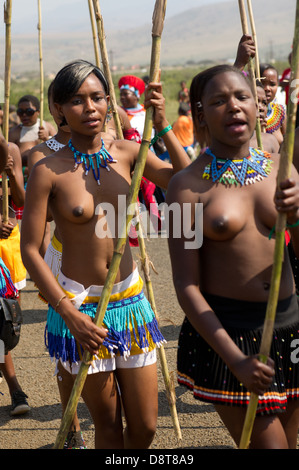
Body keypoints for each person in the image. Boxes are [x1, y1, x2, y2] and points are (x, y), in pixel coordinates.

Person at [20, 59, 190, 449]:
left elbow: (187, 181)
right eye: (78, 100)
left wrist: (162, 123)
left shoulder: (129, 152)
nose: (90, 107)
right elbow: (31, 249)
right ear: (59, 109)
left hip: (129, 303)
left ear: (109, 101)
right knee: (109, 428)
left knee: (146, 428)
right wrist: (69, 314)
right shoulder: (47, 167)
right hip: (79, 307)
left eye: (97, 97)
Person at [166, 64, 299, 449]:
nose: (234, 107)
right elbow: (186, 285)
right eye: (219, 101)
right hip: (230, 336)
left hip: (288, 324)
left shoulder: (282, 168)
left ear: (257, 105)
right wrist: (235, 359)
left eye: (241, 97)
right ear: (200, 112)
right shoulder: (185, 187)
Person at [0, 137, 29, 416]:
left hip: (3, 253)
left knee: (1, 325)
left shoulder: (9, 151)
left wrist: (9, 173)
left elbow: (19, 200)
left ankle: (14, 389)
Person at [8, 94, 56, 181]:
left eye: (29, 111)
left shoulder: (47, 127)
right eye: (20, 112)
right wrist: (24, 171)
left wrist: (47, 139)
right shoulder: (13, 133)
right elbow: (8, 159)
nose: (24, 115)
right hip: (23, 179)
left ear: (38, 112)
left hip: (49, 176)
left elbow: (61, 151)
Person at [250, 80, 280, 154]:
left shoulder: (271, 141)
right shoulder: (231, 143)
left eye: (264, 103)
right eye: (256, 101)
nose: (261, 108)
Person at [260, 64, 287, 147]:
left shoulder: (280, 112)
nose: (267, 88)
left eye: (272, 84)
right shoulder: (247, 113)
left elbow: (288, 145)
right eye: (262, 83)